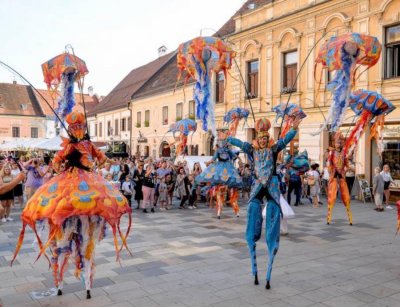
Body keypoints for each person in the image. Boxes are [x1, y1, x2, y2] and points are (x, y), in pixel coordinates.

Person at [12, 111, 131, 299]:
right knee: (63, 235)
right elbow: (57, 161)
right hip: (68, 186)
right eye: (74, 128)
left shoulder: (89, 144)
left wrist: (107, 162)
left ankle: (86, 280)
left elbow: (101, 157)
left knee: (86, 235)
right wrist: (62, 167)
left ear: (84, 128)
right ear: (71, 130)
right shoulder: (68, 147)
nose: (77, 130)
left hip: (87, 186)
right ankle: (60, 278)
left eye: (80, 127)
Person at [227, 117, 301, 289]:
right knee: (253, 210)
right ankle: (252, 248)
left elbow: (284, 141)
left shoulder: (274, 149)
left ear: (268, 140)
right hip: (258, 186)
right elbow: (240, 143)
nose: (262, 141)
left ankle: (271, 249)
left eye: (265, 138)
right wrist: (228, 137)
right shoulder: (251, 150)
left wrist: (293, 129)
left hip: (272, 186)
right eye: (260, 138)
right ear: (257, 139)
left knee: (274, 214)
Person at [196, 130, 242, 218]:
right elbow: (213, 158)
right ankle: (219, 212)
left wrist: (238, 158)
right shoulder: (218, 151)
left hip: (229, 170)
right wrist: (208, 163)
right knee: (219, 192)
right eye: (221, 141)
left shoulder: (228, 150)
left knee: (232, 192)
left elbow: (234, 155)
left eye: (223, 141)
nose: (222, 143)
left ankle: (236, 211)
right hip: (220, 169)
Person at [326, 132, 353, 225]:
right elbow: (329, 163)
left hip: (341, 175)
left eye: (340, 142)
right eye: (337, 142)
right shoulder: (332, 152)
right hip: (334, 175)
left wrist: (348, 167)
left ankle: (350, 218)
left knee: (346, 196)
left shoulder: (344, 153)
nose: (339, 144)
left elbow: (346, 163)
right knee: (332, 196)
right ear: (335, 143)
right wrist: (330, 170)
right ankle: (328, 218)